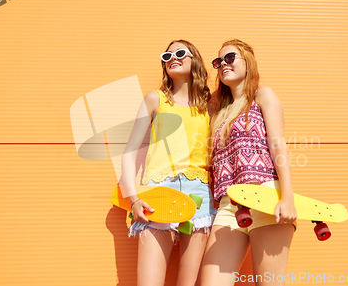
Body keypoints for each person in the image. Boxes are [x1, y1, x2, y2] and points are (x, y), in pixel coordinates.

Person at [200, 39, 297, 286]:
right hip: (229, 205)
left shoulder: (262, 95)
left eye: (230, 58)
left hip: (265, 197)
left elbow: (278, 145)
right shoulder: (218, 110)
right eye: (218, 61)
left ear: (248, 62)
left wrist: (288, 197)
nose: (222, 64)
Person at [120, 39, 216, 286]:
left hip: (199, 196)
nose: (172, 58)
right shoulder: (155, 100)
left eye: (180, 53)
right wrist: (134, 199)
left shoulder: (211, 106)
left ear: (194, 59)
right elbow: (129, 153)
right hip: (159, 192)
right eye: (166, 56)